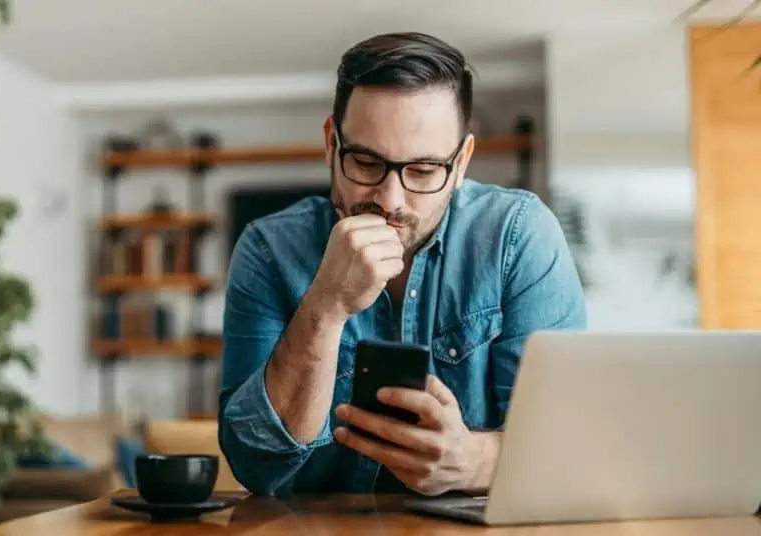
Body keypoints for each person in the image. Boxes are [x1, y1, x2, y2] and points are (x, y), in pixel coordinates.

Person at [217, 31, 587, 497]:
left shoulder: (518, 235)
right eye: (366, 163)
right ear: (332, 144)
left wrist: (473, 463)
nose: (390, 200)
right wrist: (325, 306)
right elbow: (256, 465)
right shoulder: (268, 249)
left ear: (462, 162)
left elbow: (569, 450)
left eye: (424, 170)